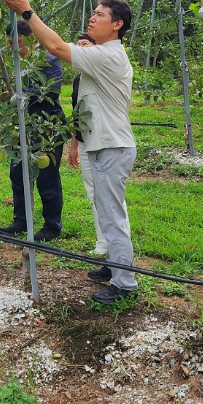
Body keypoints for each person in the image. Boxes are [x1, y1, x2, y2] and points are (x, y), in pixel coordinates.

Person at [1, 0, 138, 305]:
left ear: (117, 24)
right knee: (105, 211)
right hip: (105, 144)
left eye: (100, 14)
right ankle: (114, 265)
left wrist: (28, 13)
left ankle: (124, 283)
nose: (92, 17)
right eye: (93, 12)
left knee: (112, 215)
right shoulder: (103, 54)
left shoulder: (109, 56)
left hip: (112, 146)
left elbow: (55, 47)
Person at [0, 19, 67, 242]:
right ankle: (21, 221)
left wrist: (18, 95)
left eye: (17, 42)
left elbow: (51, 91)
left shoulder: (48, 59)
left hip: (47, 128)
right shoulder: (17, 64)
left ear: (31, 38)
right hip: (23, 127)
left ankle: (52, 226)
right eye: (10, 43)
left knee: (47, 177)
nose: (13, 48)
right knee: (18, 174)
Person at [68, 32, 131, 258]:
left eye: (85, 44)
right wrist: (74, 145)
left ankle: (117, 254)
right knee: (94, 194)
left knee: (112, 200)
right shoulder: (80, 79)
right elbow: (78, 113)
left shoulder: (105, 70)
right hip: (88, 141)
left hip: (107, 142)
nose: (81, 48)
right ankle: (103, 243)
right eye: (78, 45)